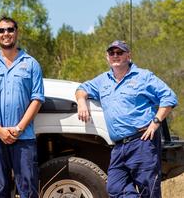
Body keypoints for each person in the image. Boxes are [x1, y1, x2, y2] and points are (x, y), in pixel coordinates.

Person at [76, 40, 178, 198]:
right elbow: (82, 88)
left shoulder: (143, 76)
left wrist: (155, 122)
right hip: (118, 147)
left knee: (149, 190)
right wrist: (81, 102)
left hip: (142, 142)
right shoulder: (102, 80)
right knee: (115, 187)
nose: (115, 56)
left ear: (128, 55)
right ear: (107, 57)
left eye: (120, 52)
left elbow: (169, 97)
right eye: (112, 53)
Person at [0, 16, 45, 198]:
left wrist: (19, 129)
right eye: (1, 30)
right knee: (0, 188)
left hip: (24, 137)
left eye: (10, 29)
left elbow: (37, 99)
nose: (6, 33)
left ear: (17, 33)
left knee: (28, 190)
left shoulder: (31, 64)